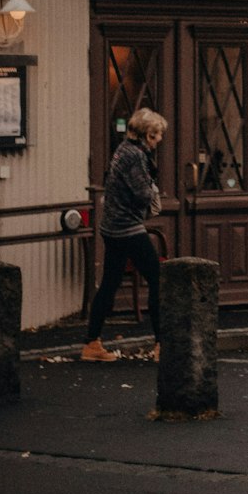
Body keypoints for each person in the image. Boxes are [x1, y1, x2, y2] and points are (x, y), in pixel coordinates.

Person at [81, 108, 167, 363]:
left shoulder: (121, 150)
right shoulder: (135, 156)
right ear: (148, 135)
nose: (160, 139)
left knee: (109, 283)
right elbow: (142, 193)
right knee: (157, 279)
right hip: (128, 227)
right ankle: (162, 344)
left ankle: (91, 343)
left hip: (112, 227)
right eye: (158, 134)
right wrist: (153, 189)